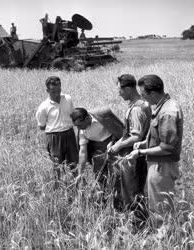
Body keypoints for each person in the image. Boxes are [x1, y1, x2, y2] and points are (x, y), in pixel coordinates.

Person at [127, 75, 183, 222]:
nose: (143, 99)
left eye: (144, 95)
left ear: (152, 93)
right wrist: (144, 144)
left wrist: (140, 152)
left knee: (160, 208)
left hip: (162, 167)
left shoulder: (167, 112)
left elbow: (167, 147)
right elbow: (159, 139)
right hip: (158, 164)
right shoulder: (162, 106)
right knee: (157, 203)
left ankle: (163, 239)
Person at [107, 74, 151, 208]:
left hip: (135, 157)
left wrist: (118, 146)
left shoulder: (137, 109)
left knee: (132, 192)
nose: (119, 94)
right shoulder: (142, 103)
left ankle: (138, 224)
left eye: (120, 90)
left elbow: (136, 136)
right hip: (139, 154)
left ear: (128, 89)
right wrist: (116, 141)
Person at [36, 76, 78, 177]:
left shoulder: (68, 98)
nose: (56, 94)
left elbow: (73, 115)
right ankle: (59, 187)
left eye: (58, 90)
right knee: (57, 165)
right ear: (47, 90)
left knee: (74, 163)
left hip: (69, 134)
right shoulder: (43, 107)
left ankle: (78, 185)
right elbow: (42, 126)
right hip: (54, 137)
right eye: (53, 91)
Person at [70, 107, 124, 185]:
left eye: (80, 125)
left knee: (116, 175)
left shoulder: (101, 116)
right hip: (97, 152)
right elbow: (83, 151)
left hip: (114, 147)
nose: (78, 128)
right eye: (76, 126)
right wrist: (80, 173)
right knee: (100, 178)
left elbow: (117, 130)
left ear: (87, 118)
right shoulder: (82, 131)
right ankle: (103, 195)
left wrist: (112, 141)